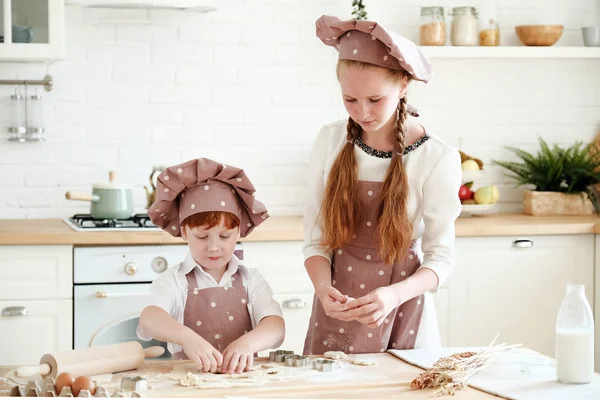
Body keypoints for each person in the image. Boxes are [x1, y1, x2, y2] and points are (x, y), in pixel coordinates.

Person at [303, 15, 462, 355]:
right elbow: (316, 242)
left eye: (375, 100)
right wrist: (322, 289)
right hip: (337, 308)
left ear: (403, 86)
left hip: (406, 308)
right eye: (350, 99)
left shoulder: (437, 157)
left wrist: (393, 295)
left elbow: (441, 258)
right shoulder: (330, 141)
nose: (362, 112)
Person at [137, 158, 285, 373]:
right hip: (189, 383)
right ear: (185, 232)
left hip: (243, 383)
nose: (214, 247)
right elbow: (149, 319)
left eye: (224, 236)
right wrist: (186, 338)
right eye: (202, 236)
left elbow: (276, 326)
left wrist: (247, 344)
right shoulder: (174, 280)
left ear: (239, 232)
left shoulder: (250, 279)